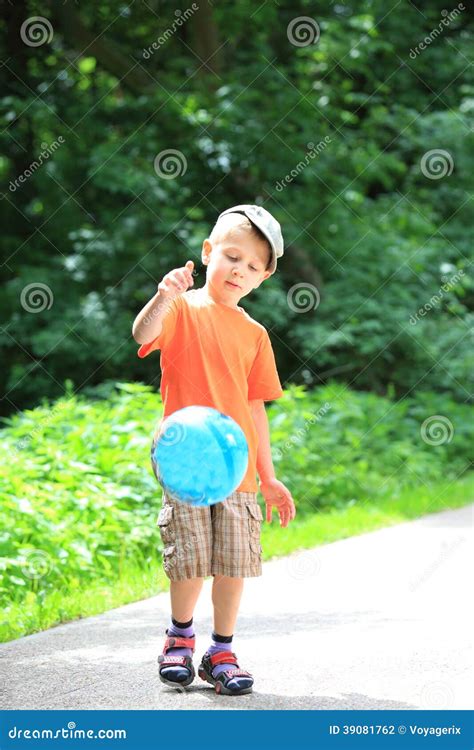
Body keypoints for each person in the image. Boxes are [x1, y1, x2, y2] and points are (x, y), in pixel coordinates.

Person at [132, 204, 296, 696]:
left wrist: (268, 477)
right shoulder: (181, 309)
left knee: (232, 563)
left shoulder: (255, 335)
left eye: (252, 265)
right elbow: (142, 334)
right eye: (231, 256)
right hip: (185, 464)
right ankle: (179, 638)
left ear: (264, 276)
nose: (239, 269)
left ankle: (221, 650)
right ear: (208, 253)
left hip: (238, 472)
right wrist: (163, 296)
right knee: (189, 558)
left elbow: (255, 410)